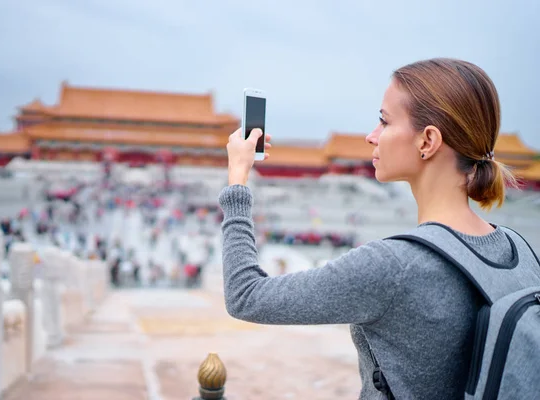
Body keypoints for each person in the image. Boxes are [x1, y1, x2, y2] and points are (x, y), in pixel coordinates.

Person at [218, 58, 538, 399]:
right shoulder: (521, 253)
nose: (372, 136)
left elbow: (245, 296)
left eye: (384, 121)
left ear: (427, 141)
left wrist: (238, 178)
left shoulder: (393, 267)